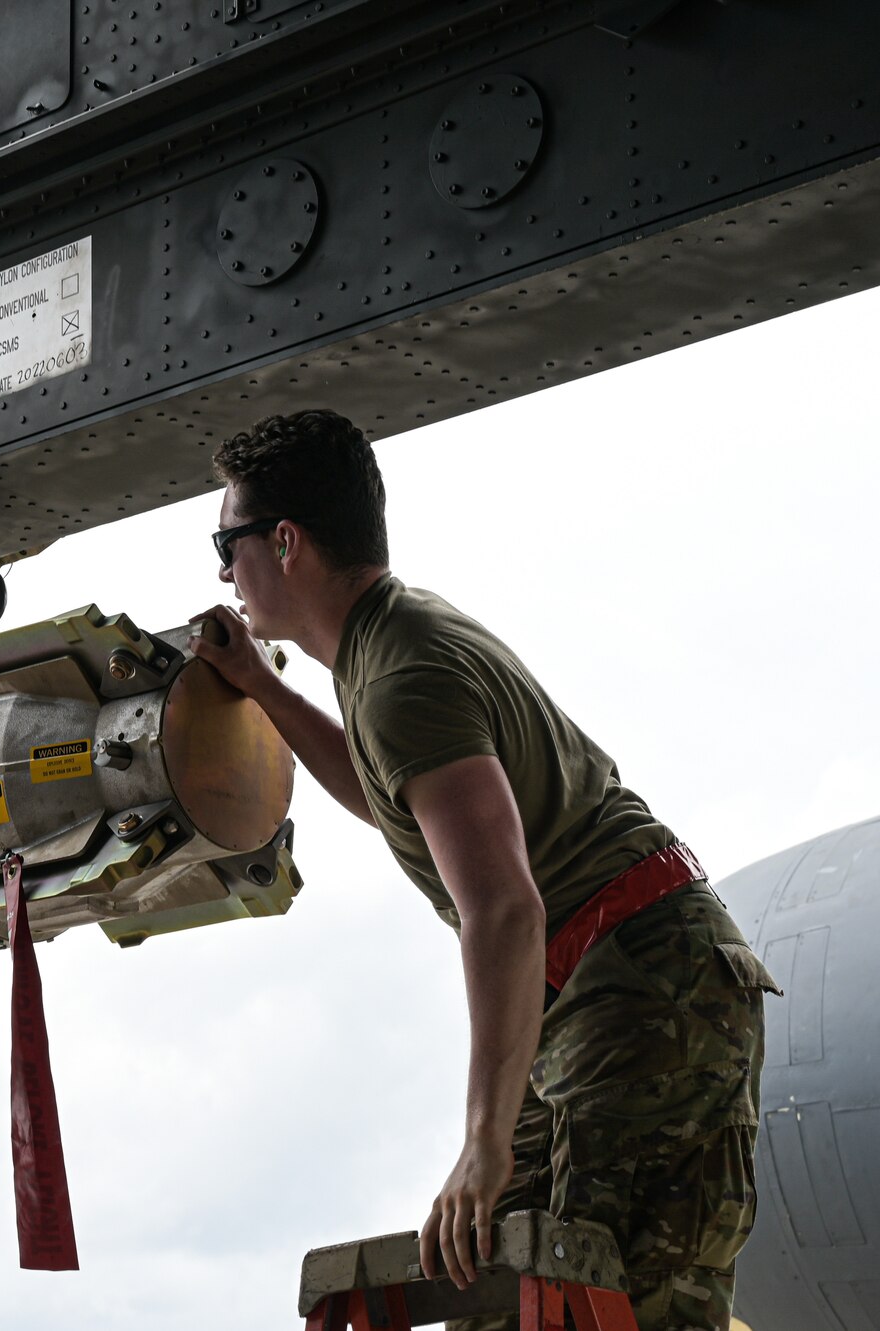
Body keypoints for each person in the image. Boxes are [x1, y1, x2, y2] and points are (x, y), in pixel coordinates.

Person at [187, 411, 778, 1330]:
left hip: (640, 989)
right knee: (493, 1285)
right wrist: (263, 686)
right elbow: (387, 793)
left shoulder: (398, 679)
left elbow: (502, 907)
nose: (224, 569)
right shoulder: (391, 641)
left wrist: (483, 1140)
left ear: (286, 541)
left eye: (229, 542)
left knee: (611, 1304)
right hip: (617, 982)